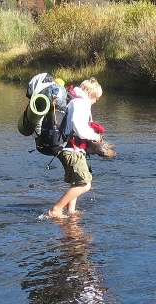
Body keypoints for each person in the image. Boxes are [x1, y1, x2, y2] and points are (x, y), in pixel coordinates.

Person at [48, 77, 103, 219]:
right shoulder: (80, 104)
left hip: (68, 149)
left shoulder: (74, 101)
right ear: (91, 94)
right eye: (96, 97)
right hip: (72, 150)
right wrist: (94, 137)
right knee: (85, 185)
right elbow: (78, 128)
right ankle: (56, 209)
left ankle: (71, 212)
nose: (96, 101)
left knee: (76, 182)